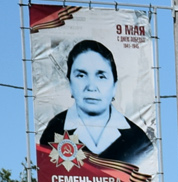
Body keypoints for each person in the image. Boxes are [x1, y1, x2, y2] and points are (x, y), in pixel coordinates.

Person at [39, 39, 153, 168]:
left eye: (101, 76)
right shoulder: (54, 131)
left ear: (114, 86)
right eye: (81, 75)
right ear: (70, 83)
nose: (91, 87)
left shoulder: (138, 140)